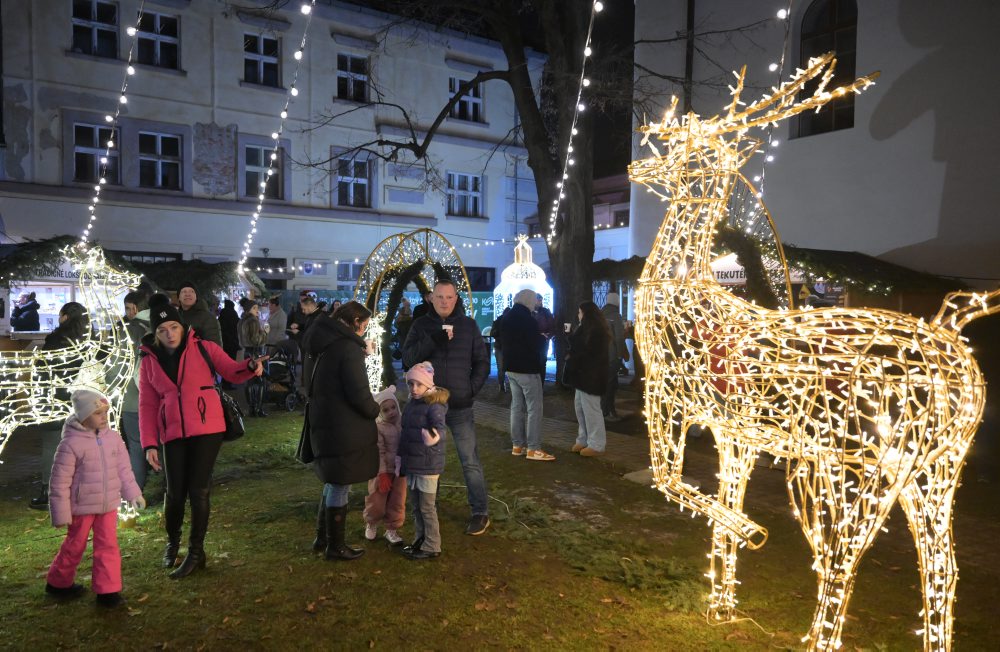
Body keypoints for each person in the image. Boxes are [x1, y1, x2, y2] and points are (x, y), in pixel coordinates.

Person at [139, 294, 265, 579]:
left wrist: (249, 366)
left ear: (182, 326)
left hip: (208, 427)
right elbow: (147, 404)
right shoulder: (149, 360)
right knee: (174, 493)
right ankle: (172, 543)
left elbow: (230, 370)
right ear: (155, 333)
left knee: (199, 490)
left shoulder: (204, 347)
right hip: (172, 431)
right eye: (162, 330)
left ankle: (196, 552)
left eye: (173, 327)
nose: (169, 334)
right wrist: (149, 443)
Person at [402, 279, 491, 536]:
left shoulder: (468, 325)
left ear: (456, 298)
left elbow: (482, 361)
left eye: (449, 297)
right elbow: (407, 358)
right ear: (431, 298)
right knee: (428, 460)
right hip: (429, 406)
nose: (445, 302)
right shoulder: (421, 325)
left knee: (469, 460)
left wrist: (471, 388)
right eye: (440, 297)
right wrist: (434, 340)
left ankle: (480, 511)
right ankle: (429, 508)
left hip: (460, 405)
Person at [45, 389, 144, 608]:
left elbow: (124, 469)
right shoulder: (70, 444)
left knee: (108, 545)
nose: (104, 416)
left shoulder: (114, 439)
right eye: (98, 412)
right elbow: (59, 481)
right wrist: (61, 513)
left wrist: (133, 493)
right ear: (82, 415)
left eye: (106, 411)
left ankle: (108, 591)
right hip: (81, 507)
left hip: (108, 505)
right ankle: (58, 582)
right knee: (75, 544)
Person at [301, 301, 381, 561]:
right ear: (355, 321)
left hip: (326, 419)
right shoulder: (347, 348)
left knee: (333, 479)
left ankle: (323, 538)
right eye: (365, 325)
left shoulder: (323, 341)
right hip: (342, 425)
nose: (364, 330)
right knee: (339, 482)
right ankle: (335, 545)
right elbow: (358, 393)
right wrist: (374, 409)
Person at [29, 301, 91, 510]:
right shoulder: (85, 341)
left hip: (54, 398)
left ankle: (50, 491)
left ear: (65, 317)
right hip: (79, 400)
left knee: (52, 446)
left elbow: (43, 370)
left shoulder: (55, 341)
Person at [398, 361, 449, 560]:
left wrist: (434, 437)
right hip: (412, 464)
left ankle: (432, 545)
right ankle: (420, 538)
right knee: (416, 506)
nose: (414, 388)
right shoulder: (412, 404)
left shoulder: (434, 406)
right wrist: (399, 458)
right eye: (411, 384)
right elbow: (405, 434)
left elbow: (440, 429)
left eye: (419, 384)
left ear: (428, 385)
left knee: (427, 507)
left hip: (428, 466)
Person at [501, 289, 553, 460]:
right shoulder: (528, 320)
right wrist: (543, 339)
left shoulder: (507, 317)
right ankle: (533, 448)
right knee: (534, 408)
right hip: (527, 368)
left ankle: (517, 445)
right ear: (529, 301)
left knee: (516, 407)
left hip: (510, 367)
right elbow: (534, 344)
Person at [563, 301, 611, 456]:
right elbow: (580, 346)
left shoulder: (596, 331)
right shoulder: (586, 328)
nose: (578, 315)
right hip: (583, 375)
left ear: (586, 313)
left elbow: (590, 353)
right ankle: (583, 439)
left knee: (591, 409)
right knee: (580, 408)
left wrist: (574, 357)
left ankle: (597, 443)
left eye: (580, 312)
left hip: (591, 376)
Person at [362, 387, 406, 546]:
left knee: (397, 500)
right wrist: (381, 473)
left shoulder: (403, 422)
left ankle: (392, 529)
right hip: (382, 471)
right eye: (385, 410)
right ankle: (372, 523)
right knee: (377, 500)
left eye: (393, 407)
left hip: (400, 470)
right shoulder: (378, 427)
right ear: (380, 412)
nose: (391, 412)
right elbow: (378, 451)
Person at [121, 291, 150, 489]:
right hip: (159, 393)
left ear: (134, 308)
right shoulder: (160, 325)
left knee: (135, 443)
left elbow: (121, 363)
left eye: (127, 308)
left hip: (134, 395)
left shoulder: (129, 329)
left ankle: (135, 490)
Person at [239, 298, 269, 417]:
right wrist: (265, 332)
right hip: (256, 352)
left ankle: (252, 409)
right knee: (260, 381)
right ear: (249, 310)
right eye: (255, 308)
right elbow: (256, 340)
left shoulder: (241, 321)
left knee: (249, 381)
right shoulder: (253, 321)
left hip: (247, 352)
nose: (257, 310)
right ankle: (259, 408)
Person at [601, 292, 628, 419]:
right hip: (612, 355)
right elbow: (619, 337)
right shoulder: (616, 316)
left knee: (605, 381)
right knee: (611, 382)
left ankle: (604, 408)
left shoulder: (600, 315)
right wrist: (619, 355)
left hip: (602, 354)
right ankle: (608, 408)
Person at [176, 281, 222, 346]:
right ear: (179, 298)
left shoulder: (207, 318)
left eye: (191, 291)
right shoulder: (175, 317)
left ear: (196, 297)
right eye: (184, 291)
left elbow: (214, 349)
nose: (188, 294)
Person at [532, 293, 556, 384]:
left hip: (543, 341)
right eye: (538, 300)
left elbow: (551, 326)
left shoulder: (545, 312)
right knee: (534, 363)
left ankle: (540, 385)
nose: (540, 302)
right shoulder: (530, 312)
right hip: (533, 341)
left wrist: (547, 336)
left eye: (541, 300)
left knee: (542, 362)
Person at [491, 307, 510, 393]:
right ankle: (503, 385)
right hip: (505, 347)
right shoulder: (510, 321)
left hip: (499, 346)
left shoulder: (498, 321)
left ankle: (501, 385)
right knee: (506, 368)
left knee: (501, 368)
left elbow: (493, 333)